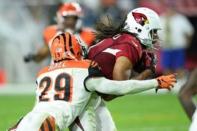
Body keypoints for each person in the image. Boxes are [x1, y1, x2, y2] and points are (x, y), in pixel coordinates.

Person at [11, 32, 176, 131]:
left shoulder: (42, 73)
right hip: (51, 123)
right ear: (75, 49)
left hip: (28, 119)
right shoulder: (85, 68)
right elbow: (119, 88)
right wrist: (155, 82)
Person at [82, 7, 162, 130]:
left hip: (89, 93)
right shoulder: (131, 44)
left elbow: (106, 94)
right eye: (154, 31)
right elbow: (119, 87)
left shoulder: (123, 38)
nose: (155, 36)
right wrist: (147, 72)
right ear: (141, 27)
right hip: (81, 96)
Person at [24, 2, 95, 63]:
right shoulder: (51, 32)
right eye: (67, 18)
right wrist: (34, 57)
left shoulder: (89, 34)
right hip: (58, 70)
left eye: (73, 18)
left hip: (80, 71)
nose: (70, 21)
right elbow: (43, 53)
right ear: (59, 18)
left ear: (79, 19)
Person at [159, 5, 194, 76]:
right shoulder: (161, 18)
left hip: (178, 47)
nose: (170, 11)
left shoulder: (181, 19)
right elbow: (155, 32)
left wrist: (188, 42)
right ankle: (168, 84)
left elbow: (190, 31)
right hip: (166, 47)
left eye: (172, 9)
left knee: (179, 67)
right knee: (166, 68)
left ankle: (180, 84)